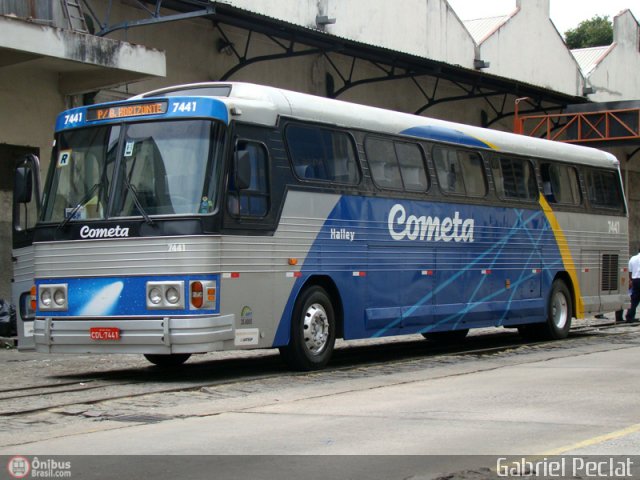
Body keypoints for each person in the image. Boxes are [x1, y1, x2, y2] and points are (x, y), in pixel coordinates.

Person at [626, 248, 640, 322]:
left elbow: (630, 271)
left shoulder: (633, 258)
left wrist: (631, 280)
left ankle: (630, 316)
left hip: (635, 280)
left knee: (634, 300)